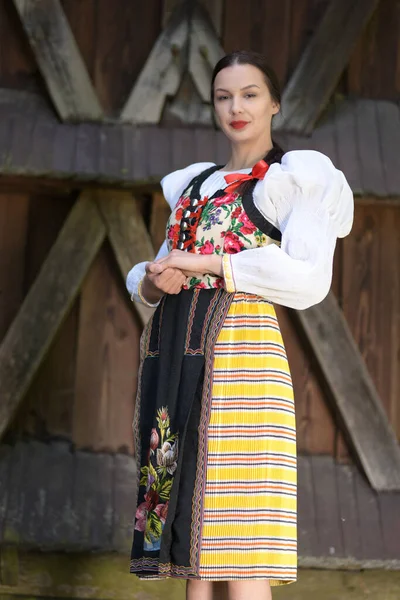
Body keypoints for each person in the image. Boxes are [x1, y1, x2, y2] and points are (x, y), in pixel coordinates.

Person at [126, 50, 354, 600]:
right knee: (191, 550)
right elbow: (155, 271)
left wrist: (206, 264)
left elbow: (307, 280)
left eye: (250, 94)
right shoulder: (193, 187)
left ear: (274, 103)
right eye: (223, 96)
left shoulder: (290, 180)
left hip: (242, 360)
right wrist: (158, 279)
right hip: (178, 358)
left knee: (240, 538)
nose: (236, 107)